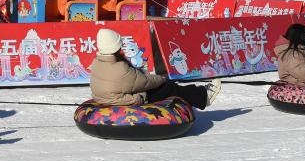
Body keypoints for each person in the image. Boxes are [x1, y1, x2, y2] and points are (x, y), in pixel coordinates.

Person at [89, 29, 221, 109]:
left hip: (106, 98)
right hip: (127, 101)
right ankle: (203, 96)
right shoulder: (121, 70)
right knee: (168, 87)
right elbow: (146, 82)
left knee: (161, 84)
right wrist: (162, 79)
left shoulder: (97, 63)